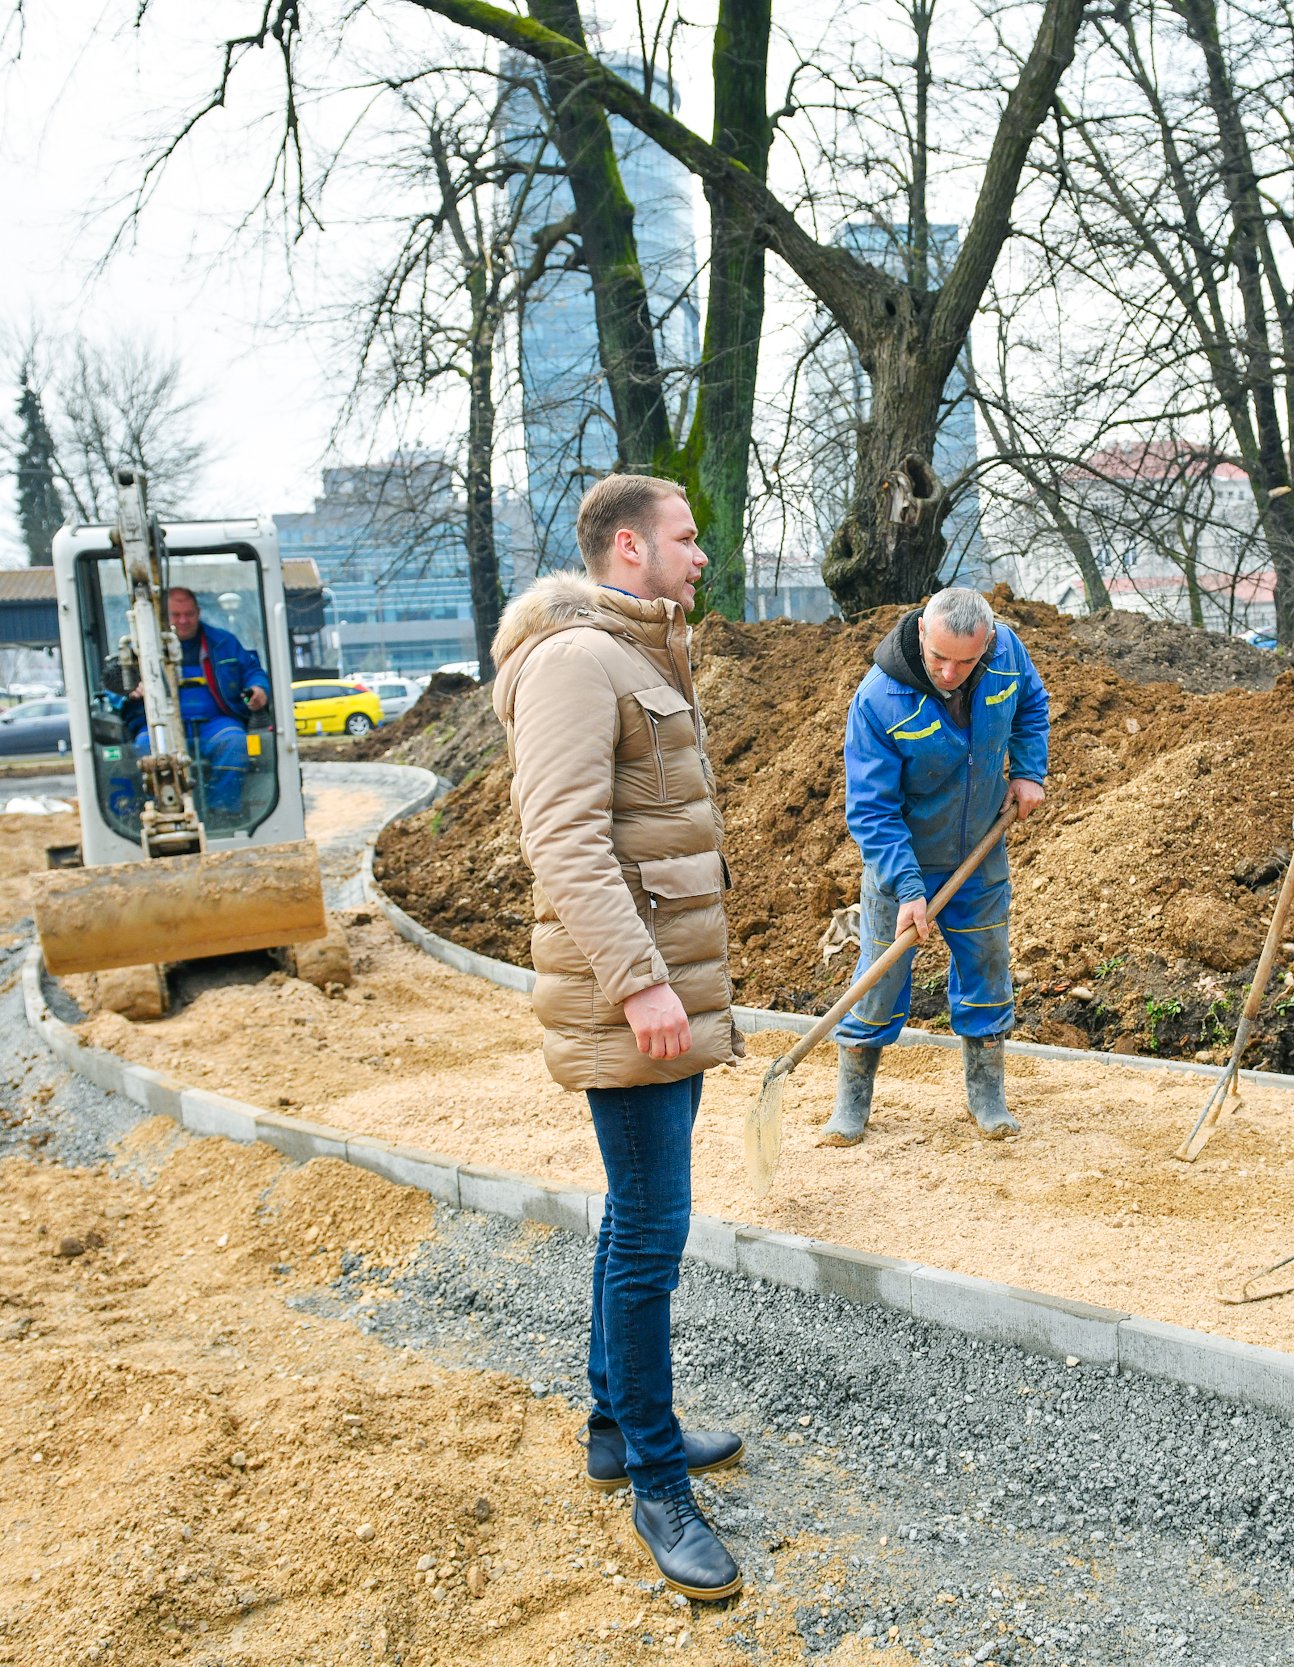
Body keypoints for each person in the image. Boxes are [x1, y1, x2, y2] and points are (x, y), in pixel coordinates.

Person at [490, 473, 747, 1601]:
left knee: (633, 1218)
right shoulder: (575, 662)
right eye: (688, 538)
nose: (703, 553)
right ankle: (653, 1476)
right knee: (651, 1232)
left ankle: (614, 1424)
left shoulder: (638, 650)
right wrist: (643, 982)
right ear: (630, 547)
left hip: (664, 991)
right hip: (634, 997)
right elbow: (564, 837)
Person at [821, 587, 1050, 1146]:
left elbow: (1032, 706)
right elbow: (871, 810)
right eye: (939, 657)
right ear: (922, 631)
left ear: (988, 643)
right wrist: (906, 888)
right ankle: (851, 1103)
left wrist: (1028, 770)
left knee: (988, 968)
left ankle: (987, 1096)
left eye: (966, 661)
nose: (950, 672)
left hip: (978, 855)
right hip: (901, 865)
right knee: (881, 980)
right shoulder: (879, 700)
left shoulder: (1008, 655)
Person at [125, 588, 270, 815]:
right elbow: (115, 682)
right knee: (145, 748)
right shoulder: (140, 648)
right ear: (162, 615)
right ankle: (161, 811)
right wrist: (130, 688)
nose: (183, 621)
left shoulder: (224, 643)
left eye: (189, 614)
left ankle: (222, 811)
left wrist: (259, 688)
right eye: (175, 615)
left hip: (215, 723)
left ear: (198, 612)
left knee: (234, 742)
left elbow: (252, 670)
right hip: (162, 725)